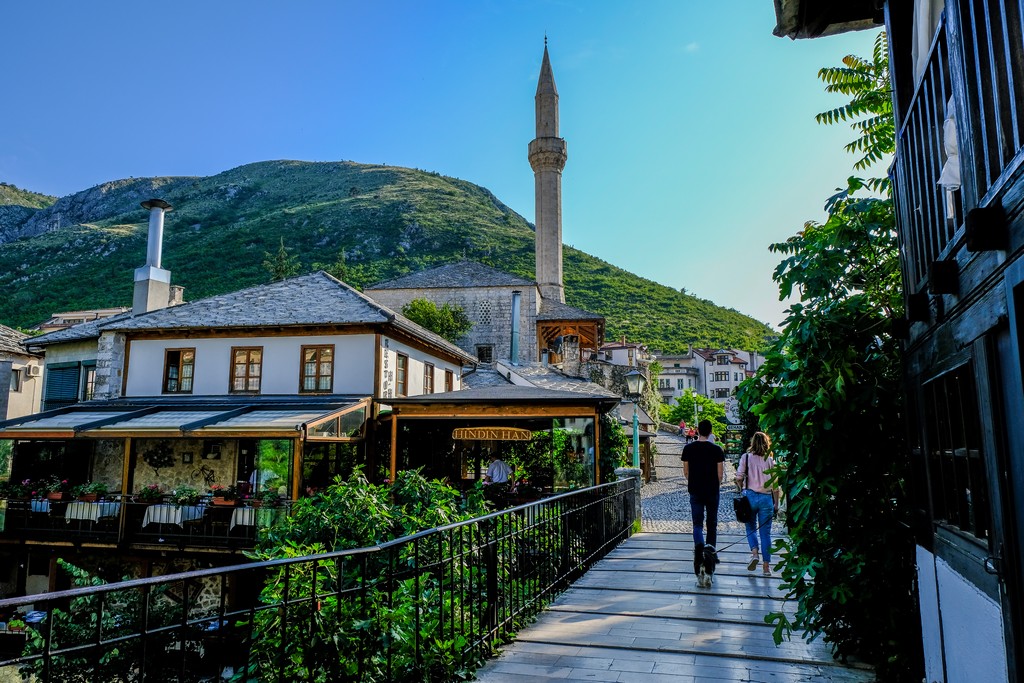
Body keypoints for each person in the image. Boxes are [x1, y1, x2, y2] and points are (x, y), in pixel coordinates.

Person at [680, 419, 725, 586]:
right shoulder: (717, 450)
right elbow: (720, 474)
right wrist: (714, 485)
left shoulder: (688, 448)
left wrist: (694, 482)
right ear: (711, 431)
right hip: (712, 491)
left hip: (695, 490)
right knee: (712, 523)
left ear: (697, 431)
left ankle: (699, 554)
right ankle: (710, 554)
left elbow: (686, 471)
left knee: (697, 524)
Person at [734, 431, 780, 576]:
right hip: (766, 498)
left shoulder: (746, 457)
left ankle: (754, 554)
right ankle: (766, 568)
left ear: (752, 442)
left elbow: (739, 477)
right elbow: (775, 486)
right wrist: (776, 504)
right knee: (765, 533)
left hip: (750, 497)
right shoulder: (770, 461)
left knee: (751, 527)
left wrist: (741, 488)